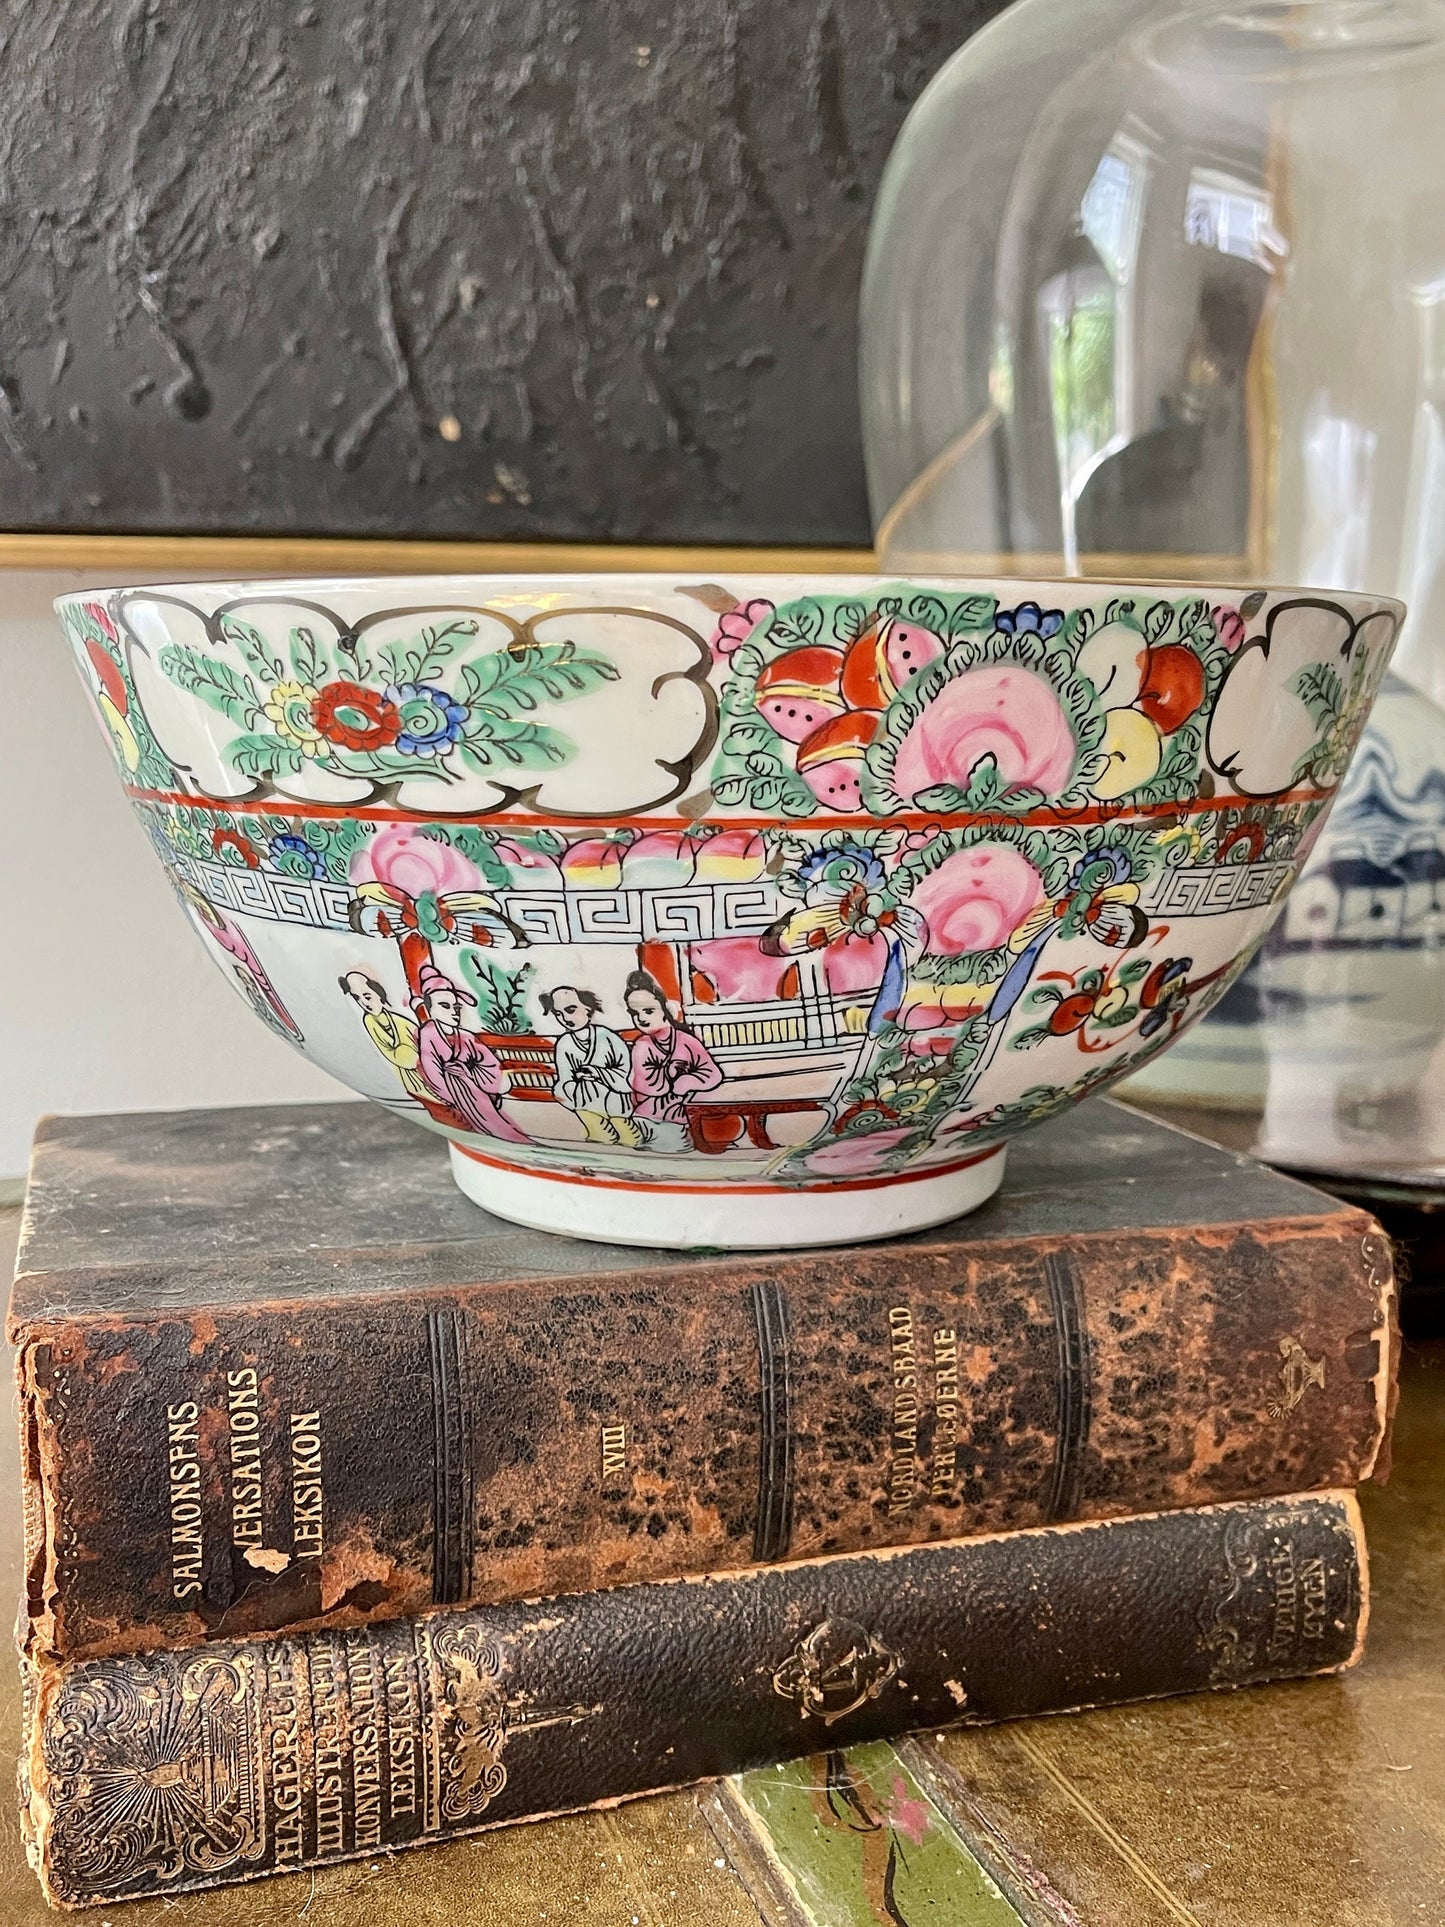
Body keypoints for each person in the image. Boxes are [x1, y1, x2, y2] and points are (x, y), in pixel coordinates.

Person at [413, 962, 530, 1144]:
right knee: (490, 1123)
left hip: (473, 1087)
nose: (454, 1013)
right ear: (429, 1008)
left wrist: (471, 1074)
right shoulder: (428, 1033)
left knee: (497, 1123)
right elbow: (432, 1071)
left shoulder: (465, 1036)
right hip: (456, 1091)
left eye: (457, 1008)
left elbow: (490, 1063)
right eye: (445, 1006)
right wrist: (452, 1094)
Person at [623, 970, 723, 1152]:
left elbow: (713, 1074)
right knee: (672, 1146)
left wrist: (687, 1081)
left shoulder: (686, 1040)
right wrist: (669, 1073)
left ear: (666, 1010)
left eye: (648, 1010)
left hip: (683, 1112)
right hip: (650, 1115)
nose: (641, 1018)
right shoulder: (642, 1046)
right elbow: (647, 1086)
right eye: (634, 1012)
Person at [540, 984, 642, 1147]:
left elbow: (626, 1071)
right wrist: (576, 1086)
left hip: (614, 1097)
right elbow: (565, 1078)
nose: (565, 1018)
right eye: (558, 1013)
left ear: (588, 1008)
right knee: (600, 1136)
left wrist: (598, 1073)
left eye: (571, 1009)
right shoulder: (565, 1043)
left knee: (629, 1137)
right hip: (584, 1100)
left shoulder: (608, 1037)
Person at [339, 970, 430, 1101]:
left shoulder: (400, 1021)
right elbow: (392, 1054)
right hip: (412, 1075)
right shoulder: (369, 1021)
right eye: (357, 998)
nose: (364, 1003)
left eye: (367, 997)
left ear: (379, 994)